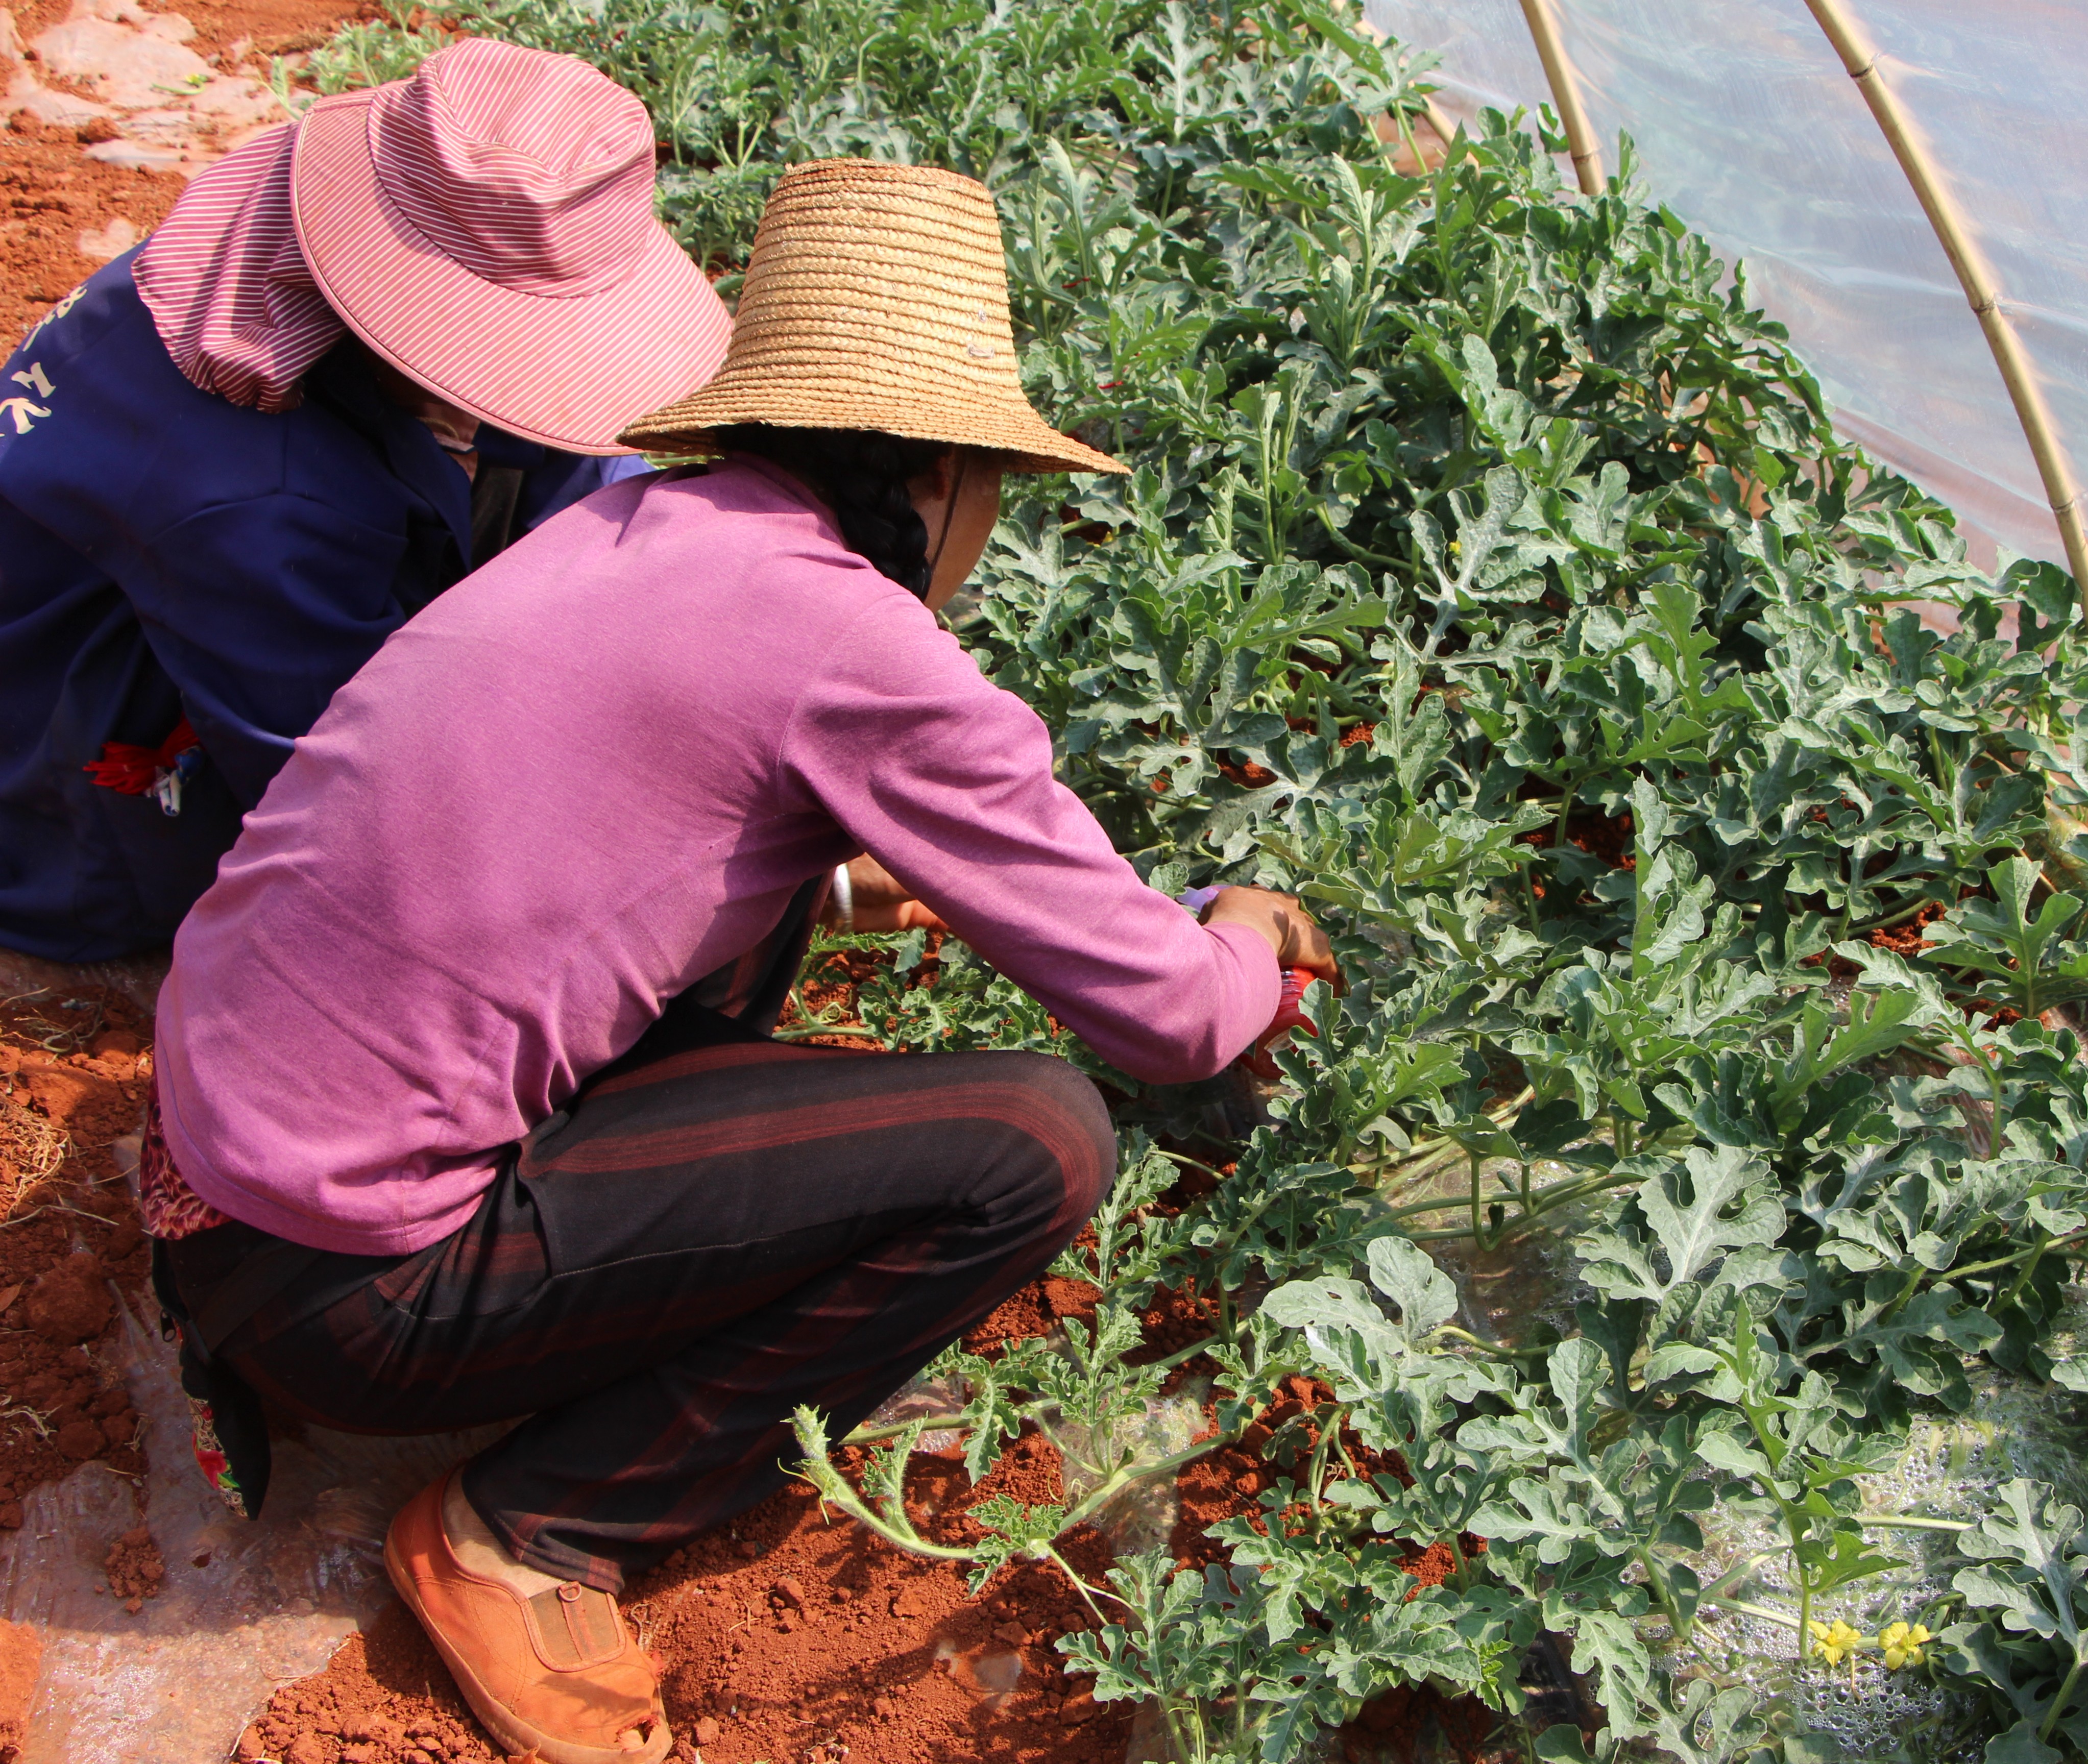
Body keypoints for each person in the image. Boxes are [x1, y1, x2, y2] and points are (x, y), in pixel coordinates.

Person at [139, 160, 1339, 1764]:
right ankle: (531, 1530)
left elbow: (560, 837)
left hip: (208, 1179)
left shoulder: (640, 523)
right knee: (1036, 1139)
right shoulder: (858, 643)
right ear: (940, 473)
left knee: (781, 939)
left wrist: (821, 898)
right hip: (348, 1291)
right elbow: (1180, 1021)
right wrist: (1252, 925)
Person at [0, 38, 732, 963]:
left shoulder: (284, 232)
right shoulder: (262, 503)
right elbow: (353, 810)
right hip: (65, 793)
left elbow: (584, 470)